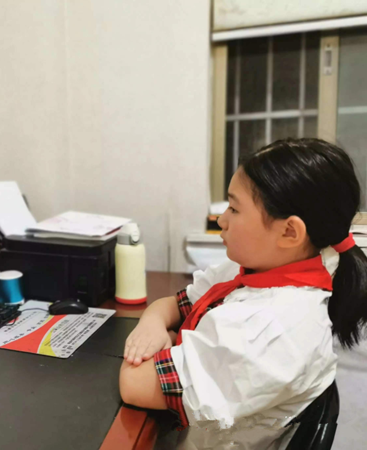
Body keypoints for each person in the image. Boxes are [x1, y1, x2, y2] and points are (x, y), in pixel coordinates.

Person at [119, 138, 367, 449]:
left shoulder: (268, 332)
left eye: (235, 208)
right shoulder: (260, 267)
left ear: (289, 232)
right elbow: (173, 305)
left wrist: (165, 335)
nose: (222, 220)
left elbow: (135, 384)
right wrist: (154, 324)